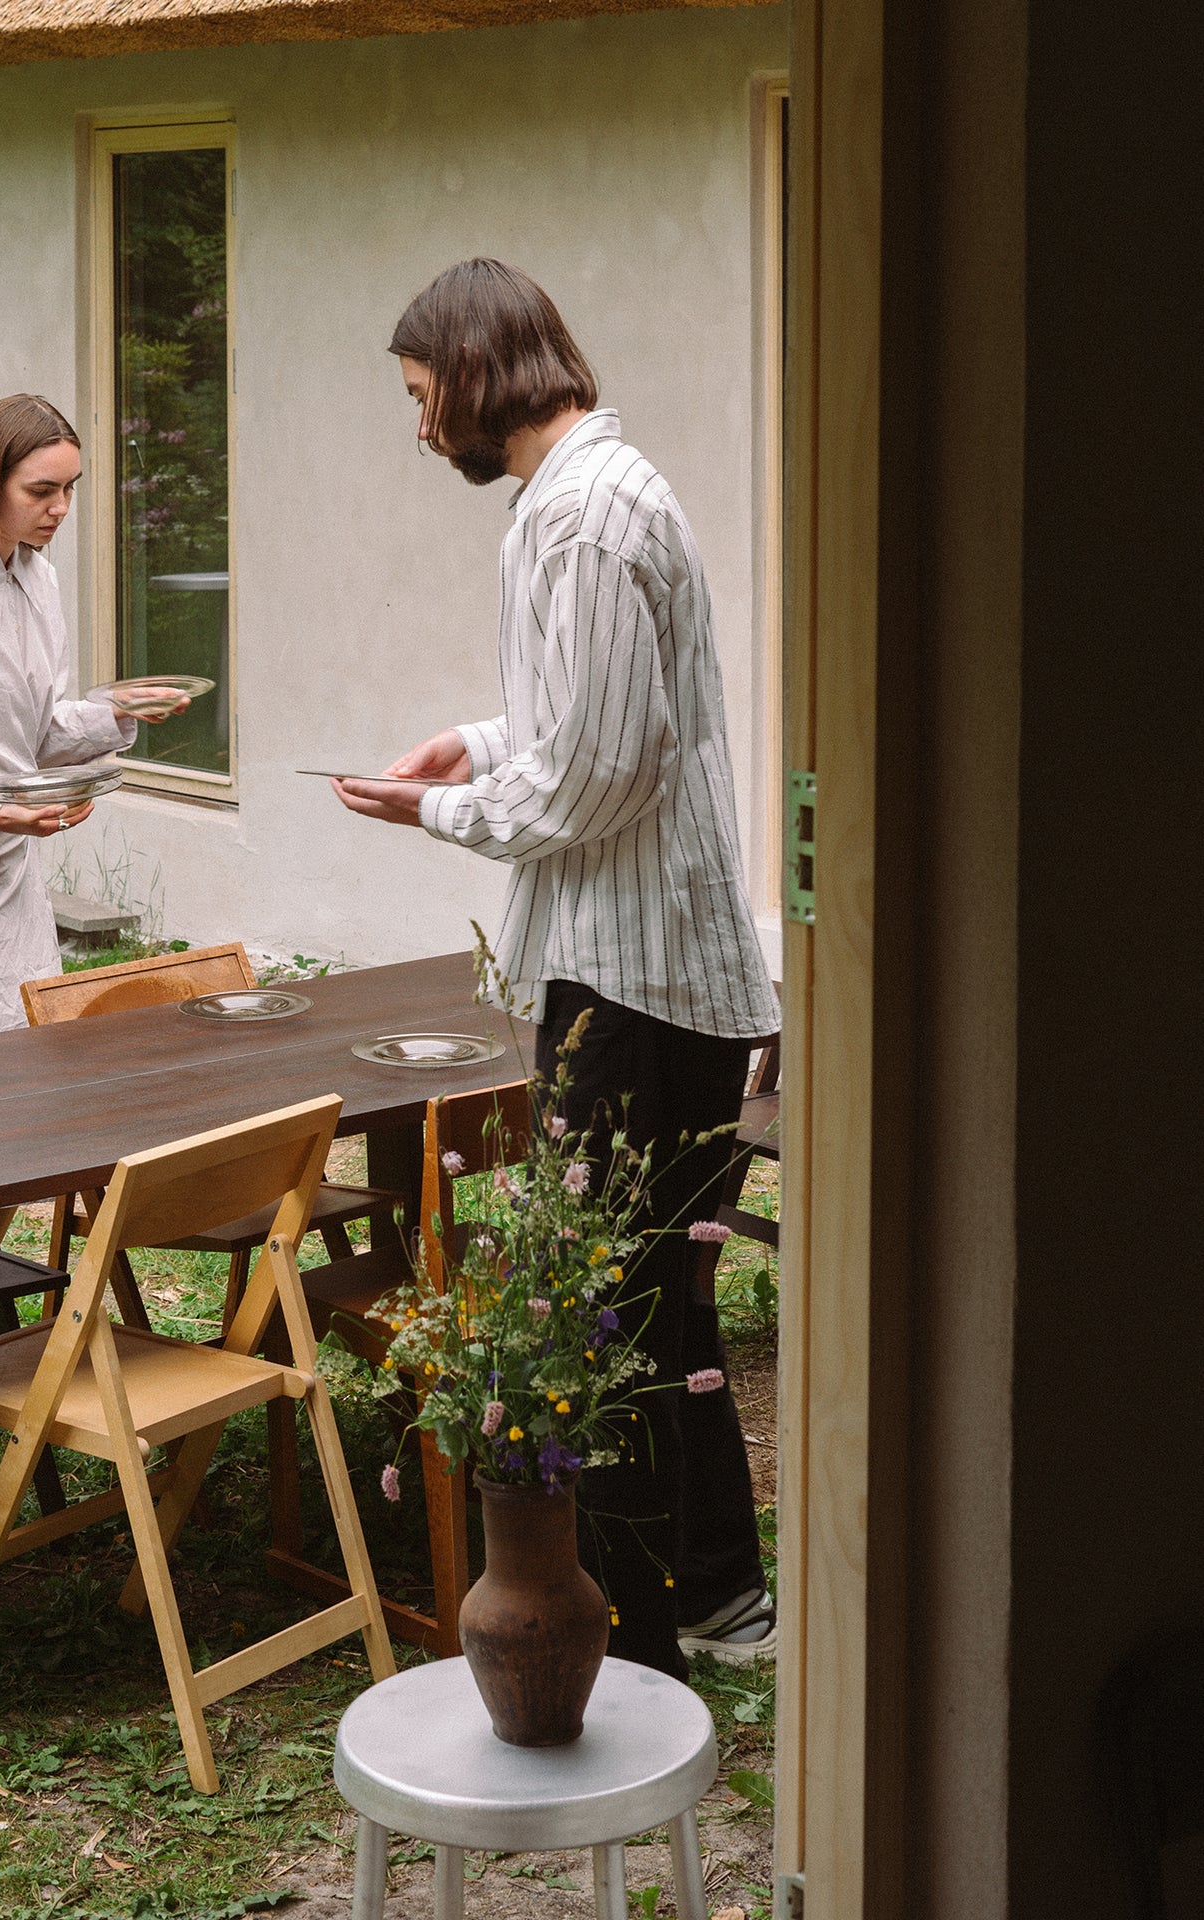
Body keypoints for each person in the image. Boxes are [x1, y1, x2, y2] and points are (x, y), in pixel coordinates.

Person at [330, 259, 782, 1678]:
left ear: (472, 374)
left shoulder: (584, 517)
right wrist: (476, 736)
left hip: (637, 979)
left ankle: (652, 1630)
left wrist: (439, 810)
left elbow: (592, 780)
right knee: (658, 1301)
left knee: (623, 1310)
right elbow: (594, 718)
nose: (417, 430)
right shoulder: (593, 495)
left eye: (418, 398)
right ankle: (718, 1600)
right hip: (647, 965)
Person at [0, 393, 186, 1353]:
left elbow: (39, 729)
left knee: (21, 1093)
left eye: (68, 492)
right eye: (39, 491)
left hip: (13, 882)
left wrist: (115, 711)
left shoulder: (35, 580)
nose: (57, 510)